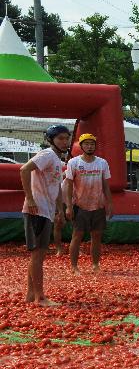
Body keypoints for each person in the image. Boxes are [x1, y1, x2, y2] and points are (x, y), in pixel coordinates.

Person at [19, 124, 70, 305]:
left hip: (46, 211)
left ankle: (31, 295)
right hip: (37, 209)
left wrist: (59, 211)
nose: (65, 142)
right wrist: (30, 199)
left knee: (38, 254)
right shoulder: (47, 155)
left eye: (66, 138)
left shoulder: (57, 160)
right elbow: (24, 169)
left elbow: (55, 188)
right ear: (51, 140)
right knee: (38, 254)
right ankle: (40, 297)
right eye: (60, 138)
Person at [64, 133, 113, 273]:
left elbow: (105, 185)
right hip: (80, 205)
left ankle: (95, 264)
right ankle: (74, 266)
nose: (89, 146)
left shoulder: (102, 163)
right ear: (81, 146)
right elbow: (68, 185)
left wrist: (109, 203)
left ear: (95, 146)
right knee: (77, 235)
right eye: (86, 144)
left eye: (92, 144)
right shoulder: (74, 163)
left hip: (98, 205)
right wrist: (68, 206)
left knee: (96, 236)